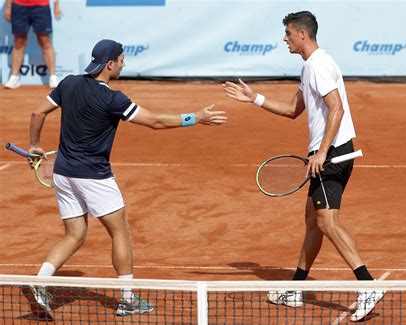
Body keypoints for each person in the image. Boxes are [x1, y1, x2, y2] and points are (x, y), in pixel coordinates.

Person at [28, 39, 227, 316]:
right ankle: (128, 299)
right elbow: (155, 122)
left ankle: (40, 282)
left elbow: (38, 111)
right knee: (119, 230)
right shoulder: (113, 98)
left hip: (63, 173)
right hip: (94, 177)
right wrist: (195, 117)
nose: (124, 64)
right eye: (121, 60)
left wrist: (34, 145)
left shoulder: (69, 83)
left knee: (74, 234)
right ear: (110, 64)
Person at [222, 11, 383, 322]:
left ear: (303, 35)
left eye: (288, 33)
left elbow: (336, 108)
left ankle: (369, 285)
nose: (285, 38)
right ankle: (295, 289)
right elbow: (293, 110)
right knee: (313, 221)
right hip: (330, 151)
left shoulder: (319, 65)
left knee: (326, 223)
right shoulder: (311, 66)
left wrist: (322, 153)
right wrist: (254, 98)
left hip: (332, 153)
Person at [3, 0, 62, 89]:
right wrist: (8, 7)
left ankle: (53, 78)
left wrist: (56, 4)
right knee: (19, 42)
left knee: (45, 42)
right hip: (19, 6)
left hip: (41, 6)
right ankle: (14, 78)